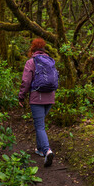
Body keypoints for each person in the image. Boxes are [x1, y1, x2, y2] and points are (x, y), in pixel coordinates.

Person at [18, 38, 55, 167]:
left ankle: (47, 151)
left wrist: (21, 96)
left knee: (40, 126)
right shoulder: (50, 61)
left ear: (32, 50)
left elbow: (26, 81)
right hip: (50, 97)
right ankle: (40, 149)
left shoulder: (31, 62)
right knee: (41, 124)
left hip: (37, 98)